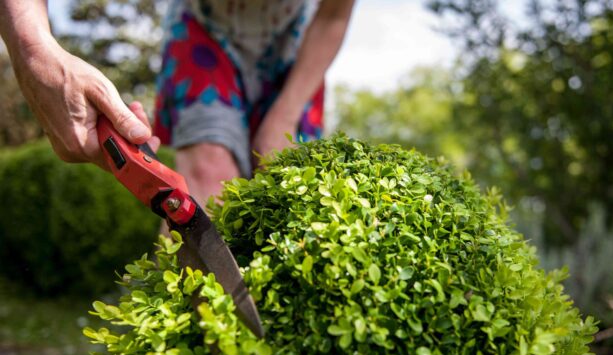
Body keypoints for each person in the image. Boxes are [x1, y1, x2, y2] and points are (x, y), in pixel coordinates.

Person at [0, 0, 354, 206]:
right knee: (209, 174)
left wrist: (284, 116)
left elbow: (334, 16)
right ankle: (198, 328)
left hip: (296, 46)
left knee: (285, 191)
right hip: (203, 29)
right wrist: (34, 50)